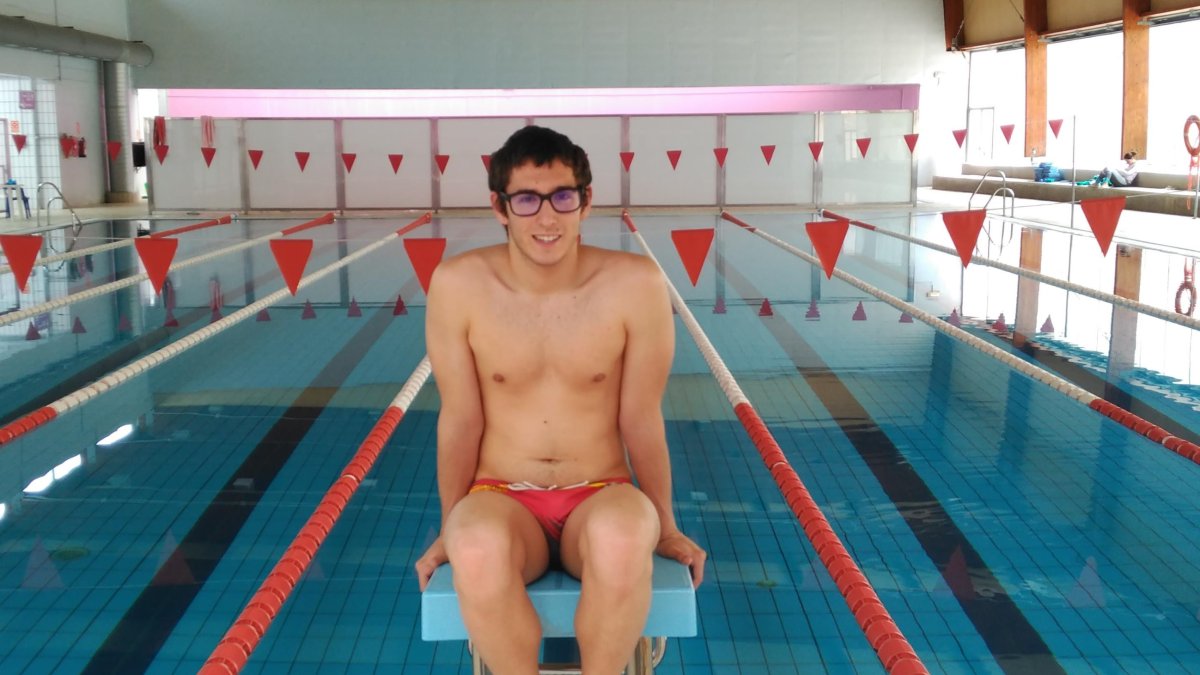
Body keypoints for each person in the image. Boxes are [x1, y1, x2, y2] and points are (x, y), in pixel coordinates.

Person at [414, 125, 706, 674]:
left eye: (562, 197)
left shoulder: (635, 284)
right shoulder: (459, 286)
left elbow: (642, 417)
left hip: (601, 489)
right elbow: (461, 420)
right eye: (527, 200)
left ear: (585, 201)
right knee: (475, 545)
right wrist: (450, 527)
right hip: (501, 493)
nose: (546, 219)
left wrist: (665, 525)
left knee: (624, 536)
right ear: (500, 207)